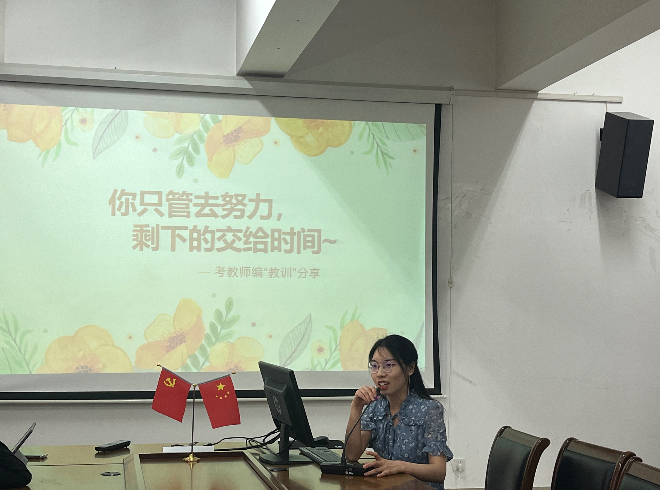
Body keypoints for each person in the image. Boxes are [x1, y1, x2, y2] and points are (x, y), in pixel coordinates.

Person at [344, 334, 453, 489]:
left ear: (410, 368)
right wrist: (356, 408)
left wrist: (400, 466)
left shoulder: (429, 409)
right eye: (374, 366)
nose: (380, 373)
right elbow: (352, 455)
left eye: (388, 365)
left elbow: (438, 471)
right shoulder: (375, 407)